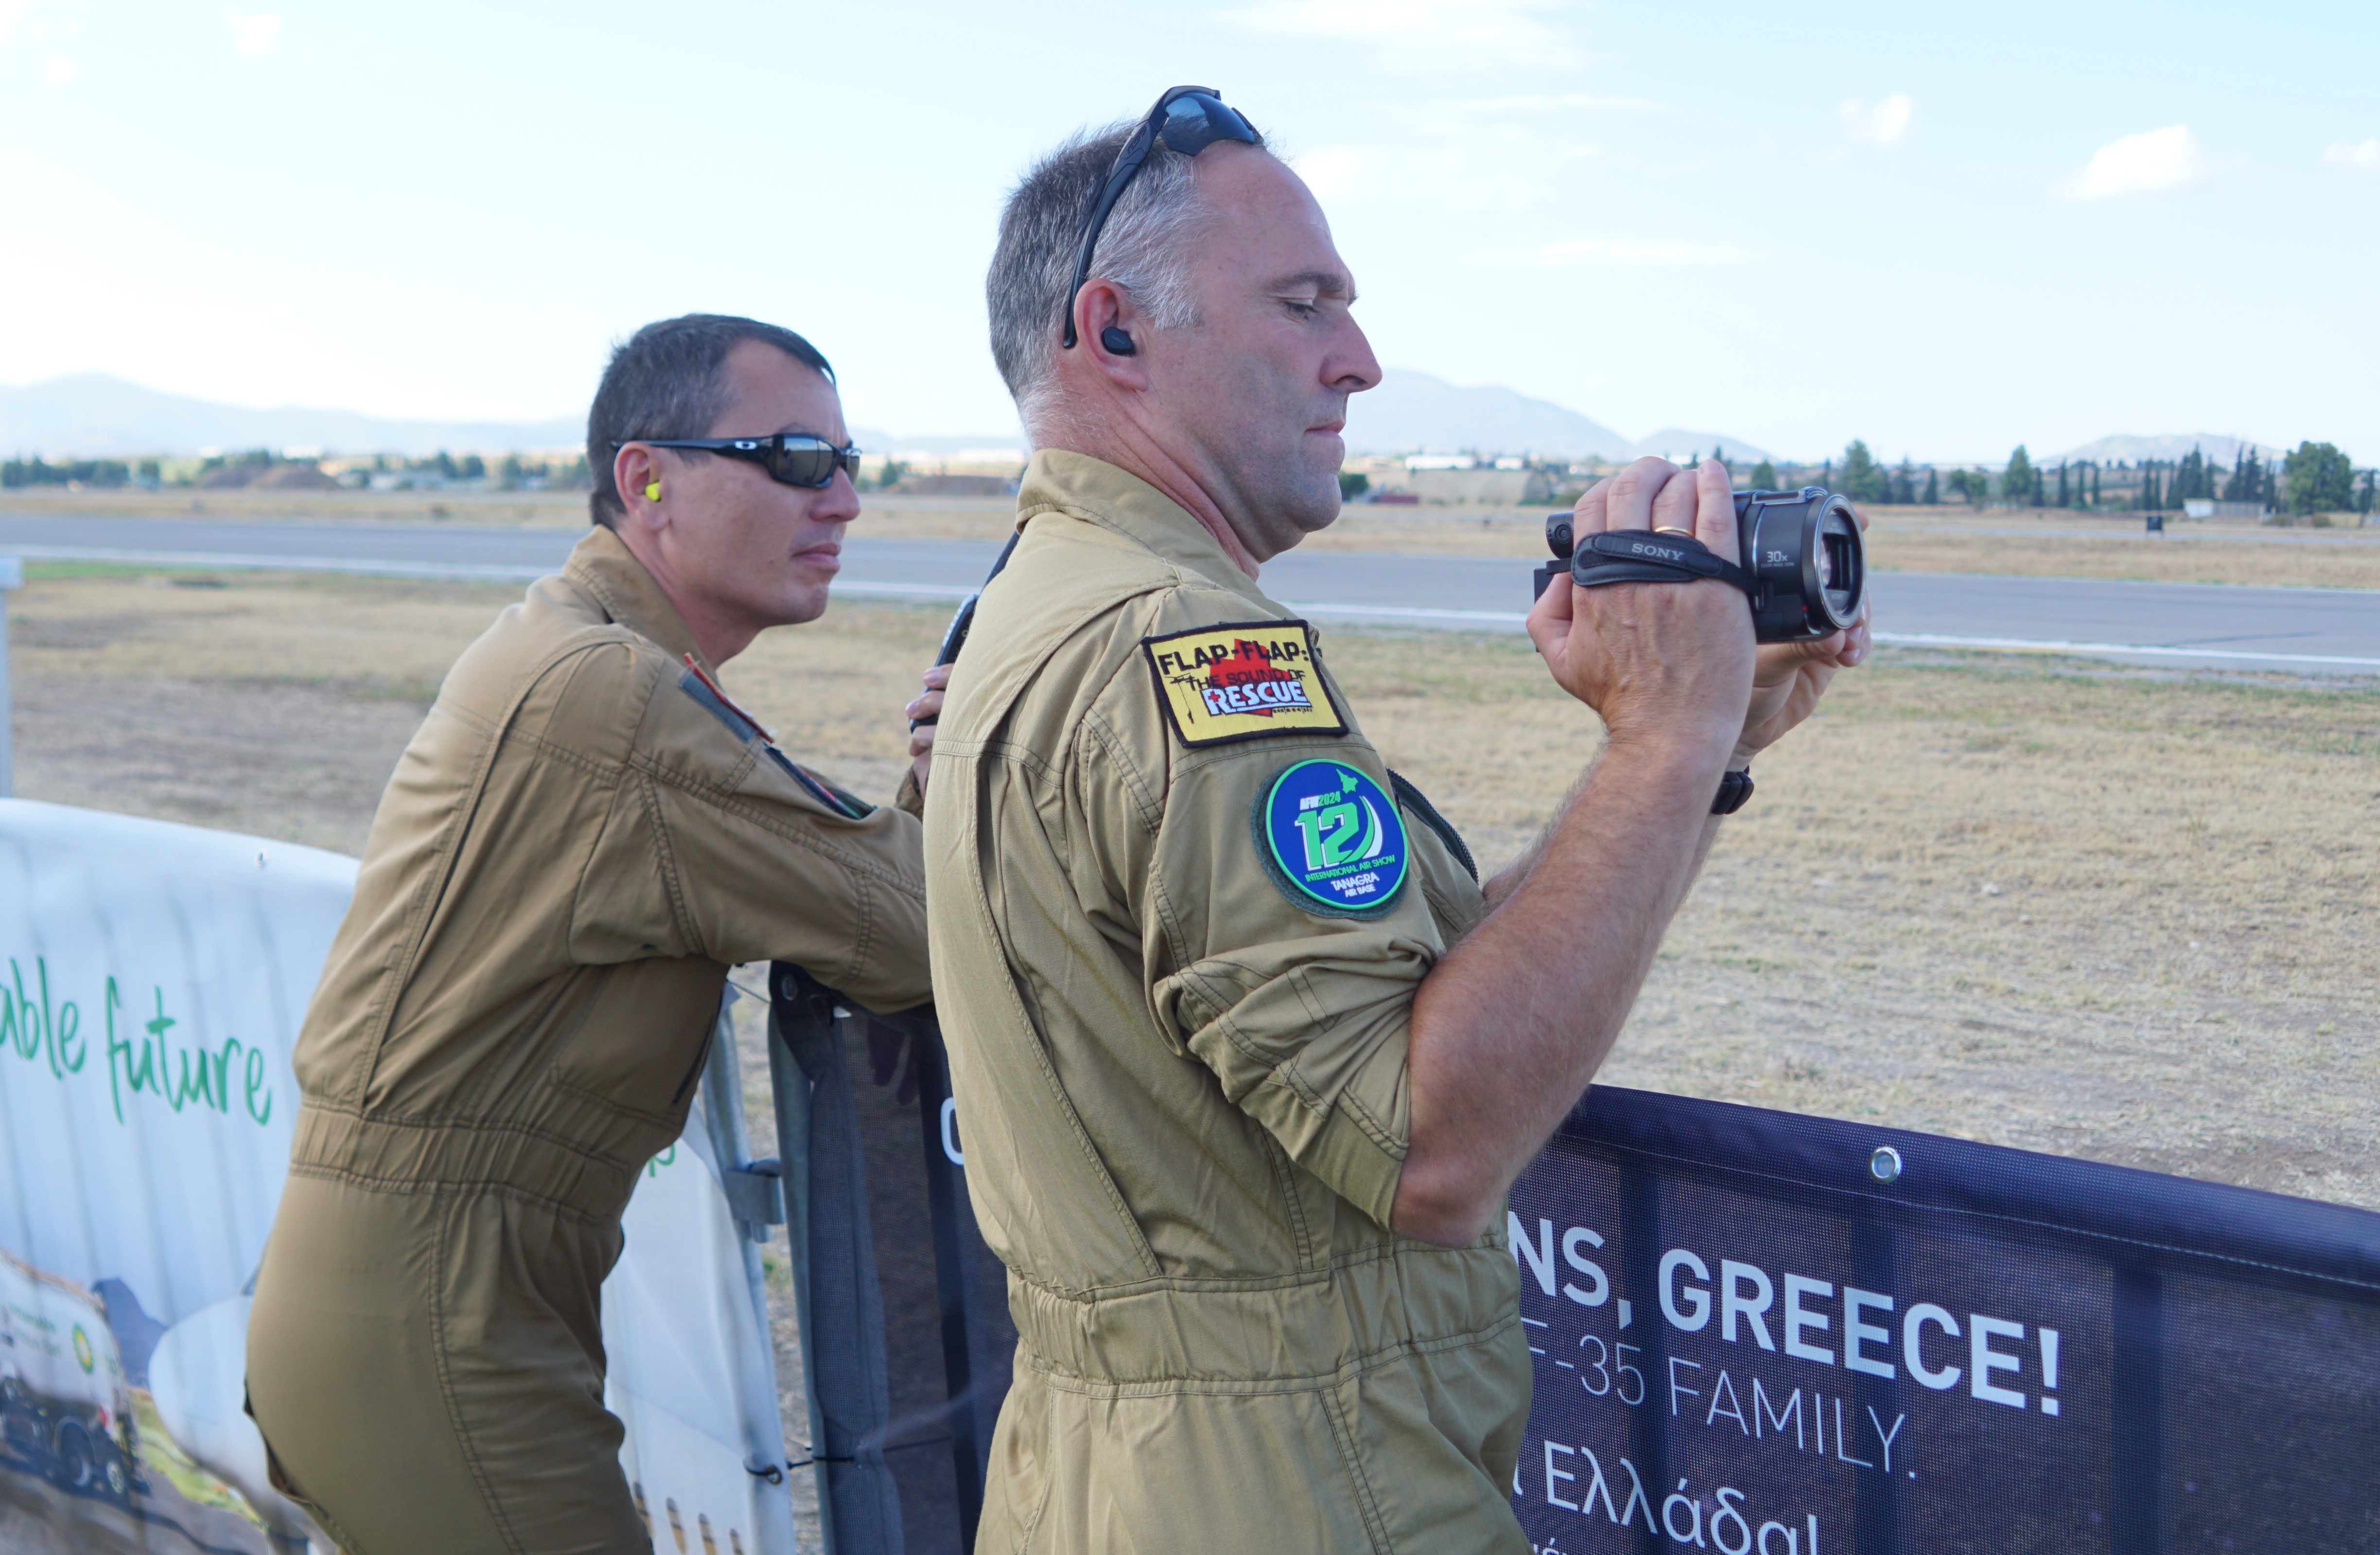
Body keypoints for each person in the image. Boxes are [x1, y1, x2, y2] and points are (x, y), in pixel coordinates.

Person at [917, 89, 1870, 1552]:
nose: (1358, 362)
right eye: (1306, 307)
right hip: (1292, 1492)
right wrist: (1660, 740)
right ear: (1114, 332)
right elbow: (1425, 1138)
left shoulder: (1048, 601)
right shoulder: (1182, 657)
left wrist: (1699, 756)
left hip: (1134, 1471)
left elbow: (1391, 1002)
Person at [246, 314, 934, 1555]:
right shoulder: (615, 699)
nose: (840, 499)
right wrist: (978, 760)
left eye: (851, 463)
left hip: (412, 1305)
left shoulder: (586, 652)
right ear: (646, 478)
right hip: (436, 1320)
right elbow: (918, 932)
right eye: (791, 457)